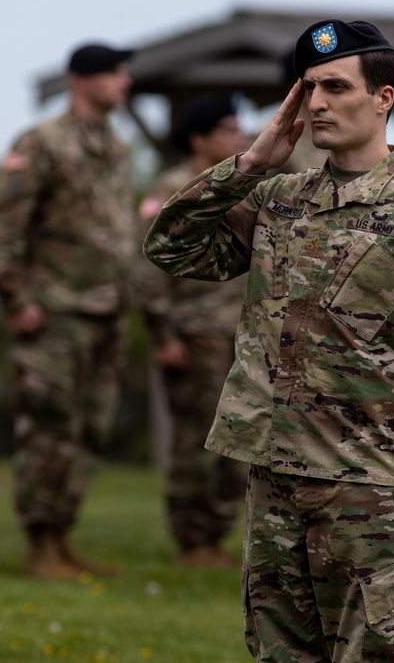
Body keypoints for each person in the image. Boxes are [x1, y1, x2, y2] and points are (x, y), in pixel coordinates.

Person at [144, 19, 394, 662]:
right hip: (276, 474)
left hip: (370, 486)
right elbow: (172, 247)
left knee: (381, 653)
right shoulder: (280, 197)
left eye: (336, 86)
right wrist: (248, 165)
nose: (317, 104)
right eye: (308, 89)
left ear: (384, 98)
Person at [0, 42, 136, 579]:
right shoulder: (41, 143)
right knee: (48, 428)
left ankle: (62, 538)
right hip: (53, 314)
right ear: (80, 79)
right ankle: (39, 545)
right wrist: (15, 298)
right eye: (114, 73)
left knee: (89, 432)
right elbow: (0, 226)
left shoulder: (116, 146)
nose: (124, 81)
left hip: (106, 311)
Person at [137, 93, 250, 567]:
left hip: (237, 332)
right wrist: (164, 337)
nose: (238, 138)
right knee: (194, 441)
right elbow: (147, 270)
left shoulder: (242, 185)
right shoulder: (173, 187)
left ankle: (213, 535)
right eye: (227, 130)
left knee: (235, 439)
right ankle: (192, 538)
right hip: (193, 334)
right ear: (198, 138)